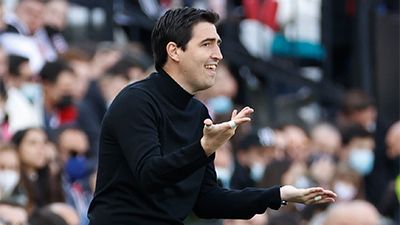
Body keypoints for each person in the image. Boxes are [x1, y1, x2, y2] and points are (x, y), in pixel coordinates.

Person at [87, 7, 336, 225]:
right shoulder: (136, 101)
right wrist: (203, 148)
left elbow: (206, 200)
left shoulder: (197, 112)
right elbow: (150, 175)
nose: (218, 54)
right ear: (174, 51)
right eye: (207, 44)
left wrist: (278, 194)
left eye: (218, 44)